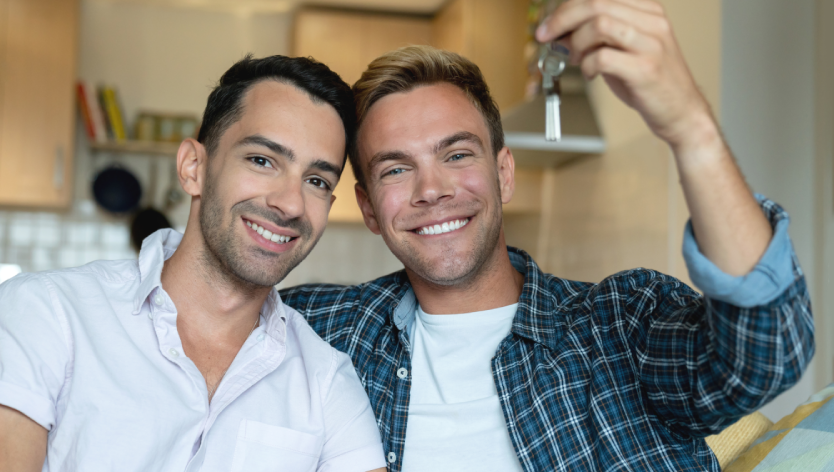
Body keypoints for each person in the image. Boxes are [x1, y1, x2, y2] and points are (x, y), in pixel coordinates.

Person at [279, 2, 815, 471]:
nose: (431, 189)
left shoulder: (620, 325)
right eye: (396, 169)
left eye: (457, 155)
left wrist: (688, 126)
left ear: (504, 173)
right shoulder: (315, 331)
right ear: (369, 207)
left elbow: (767, 355)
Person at [0, 55, 386, 472]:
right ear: (193, 167)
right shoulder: (45, 313)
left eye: (317, 181)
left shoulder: (328, 382)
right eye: (262, 160)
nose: (290, 204)